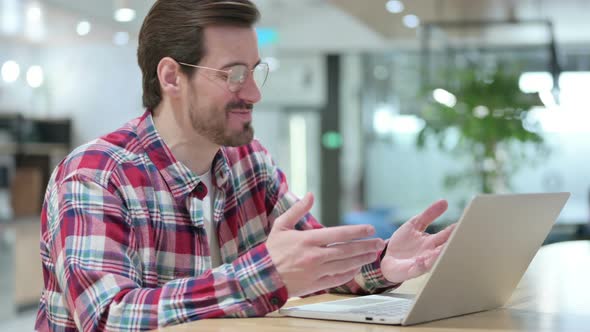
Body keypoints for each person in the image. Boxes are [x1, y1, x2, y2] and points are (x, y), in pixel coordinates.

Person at [34, 1, 455, 331]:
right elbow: (108, 318)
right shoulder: (95, 175)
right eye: (233, 74)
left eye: (254, 71)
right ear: (172, 77)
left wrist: (383, 264)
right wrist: (264, 274)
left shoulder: (249, 162)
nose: (253, 92)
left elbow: (312, 265)